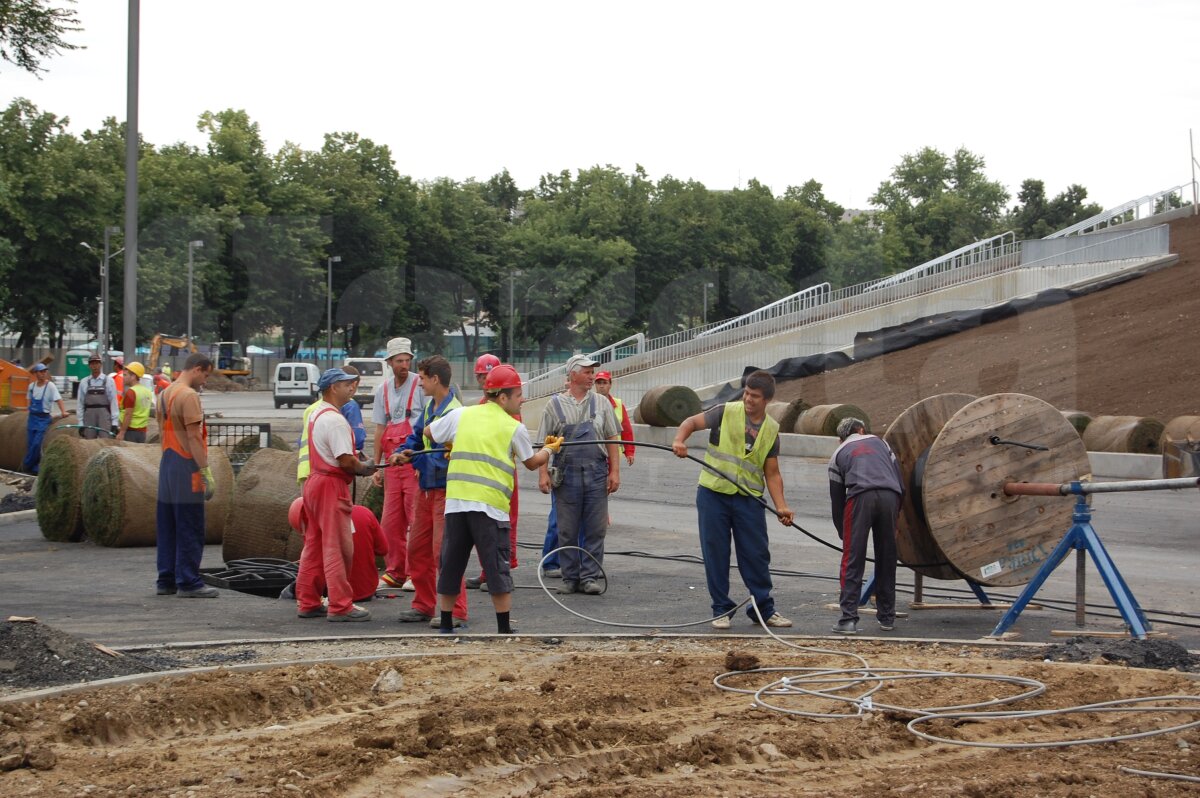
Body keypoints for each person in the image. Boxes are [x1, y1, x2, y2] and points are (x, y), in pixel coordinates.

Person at [423, 364, 562, 634]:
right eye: (518, 394)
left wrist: (449, 443)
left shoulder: (462, 415)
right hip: (490, 510)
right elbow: (532, 462)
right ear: (502, 397)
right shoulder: (513, 427)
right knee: (496, 567)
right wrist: (550, 449)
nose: (521, 400)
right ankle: (503, 628)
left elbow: (429, 432)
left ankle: (447, 625)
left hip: (457, 505)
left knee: (451, 564)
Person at [671, 369, 794, 629]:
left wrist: (781, 505)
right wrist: (679, 440)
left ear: (767, 400)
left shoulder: (771, 430)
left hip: (749, 499)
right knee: (716, 551)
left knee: (757, 554)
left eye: (755, 396)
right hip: (713, 494)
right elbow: (690, 423)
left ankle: (763, 609)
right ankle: (721, 609)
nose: (748, 399)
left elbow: (772, 473)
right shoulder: (725, 411)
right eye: (747, 393)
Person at [296, 368, 379, 621]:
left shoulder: (316, 413)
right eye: (346, 385)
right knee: (338, 546)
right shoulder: (335, 419)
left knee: (314, 544)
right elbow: (344, 460)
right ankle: (341, 604)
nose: (351, 388)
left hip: (314, 482)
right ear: (334, 387)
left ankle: (308, 600)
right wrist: (365, 469)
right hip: (331, 486)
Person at [392, 355, 468, 627]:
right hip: (426, 490)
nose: (419, 382)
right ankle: (424, 605)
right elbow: (416, 438)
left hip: (444, 491)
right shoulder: (429, 408)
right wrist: (402, 451)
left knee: (444, 552)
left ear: (435, 379)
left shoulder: (455, 413)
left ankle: (456, 611)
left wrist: (413, 457)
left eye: (423, 378)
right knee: (418, 549)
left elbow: (441, 458)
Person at [538, 354, 621, 596]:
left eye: (592, 372)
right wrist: (543, 474)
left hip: (596, 473)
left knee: (596, 528)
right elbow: (544, 444)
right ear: (573, 374)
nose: (592, 376)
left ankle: (590, 577)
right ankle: (570, 578)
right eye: (586, 372)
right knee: (567, 529)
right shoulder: (553, 406)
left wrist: (614, 472)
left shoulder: (602, 403)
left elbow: (612, 439)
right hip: (567, 475)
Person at [828, 417, 904, 635]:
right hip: (891, 496)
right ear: (861, 430)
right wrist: (896, 517)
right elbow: (900, 483)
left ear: (839, 439)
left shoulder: (838, 453)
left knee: (853, 559)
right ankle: (887, 618)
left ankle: (848, 619)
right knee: (887, 557)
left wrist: (843, 533)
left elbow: (837, 500)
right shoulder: (882, 443)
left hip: (860, 498)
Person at [155, 353, 219, 598]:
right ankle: (189, 582)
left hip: (167, 461)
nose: (204, 380)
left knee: (168, 524)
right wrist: (204, 471)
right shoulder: (189, 396)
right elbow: (193, 436)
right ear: (197, 369)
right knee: (189, 525)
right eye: (205, 374)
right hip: (185, 463)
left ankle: (166, 579)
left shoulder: (164, 394)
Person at [371, 338, 424, 591]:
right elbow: (380, 428)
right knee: (391, 522)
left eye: (407, 360)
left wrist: (421, 459)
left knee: (416, 519)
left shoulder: (420, 384)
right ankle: (395, 571)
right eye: (399, 361)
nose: (404, 365)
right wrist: (377, 465)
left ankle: (417, 572)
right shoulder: (383, 390)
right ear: (389, 362)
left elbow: (427, 425)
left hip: (413, 461)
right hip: (392, 464)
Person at [466, 352, 520, 591]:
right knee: (484, 525)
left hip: (503, 475)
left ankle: (501, 571)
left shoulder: (509, 406)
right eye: (480, 376)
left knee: (504, 524)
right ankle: (488, 570)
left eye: (486, 375)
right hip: (486, 476)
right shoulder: (480, 407)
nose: (483, 380)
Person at [288, 498, 388, 606]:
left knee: (290, 591)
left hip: (334, 596)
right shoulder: (364, 512)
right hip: (366, 590)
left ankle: (309, 604)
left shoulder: (314, 524)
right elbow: (383, 549)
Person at [22, 363, 66, 474]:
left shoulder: (50, 386)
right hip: (32, 418)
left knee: (37, 443)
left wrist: (63, 412)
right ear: (36, 373)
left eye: (44, 371)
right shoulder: (31, 387)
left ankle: (27, 464)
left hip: (43, 418)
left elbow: (58, 399)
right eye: (41, 371)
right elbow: (28, 400)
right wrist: (27, 410)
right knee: (31, 443)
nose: (43, 373)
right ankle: (34, 468)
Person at [593, 371, 635, 467]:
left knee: (612, 479)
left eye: (605, 383)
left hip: (613, 454)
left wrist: (629, 452)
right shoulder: (588, 403)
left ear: (610, 385)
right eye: (599, 383)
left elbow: (627, 431)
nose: (601, 386)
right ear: (595, 385)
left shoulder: (619, 405)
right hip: (594, 453)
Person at [77, 353, 118, 439]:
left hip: (104, 415)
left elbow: (113, 402)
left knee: (106, 441)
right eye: (92, 363)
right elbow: (80, 404)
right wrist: (80, 423)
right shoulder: (84, 382)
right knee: (89, 443)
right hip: (89, 416)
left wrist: (115, 423)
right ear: (89, 365)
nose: (95, 366)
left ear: (101, 364)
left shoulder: (109, 381)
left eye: (97, 363)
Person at [116, 361, 153, 443]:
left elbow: (128, 414)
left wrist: (122, 432)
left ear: (133, 376)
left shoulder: (131, 392)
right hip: (142, 432)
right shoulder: (147, 392)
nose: (123, 377)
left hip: (130, 432)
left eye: (125, 375)